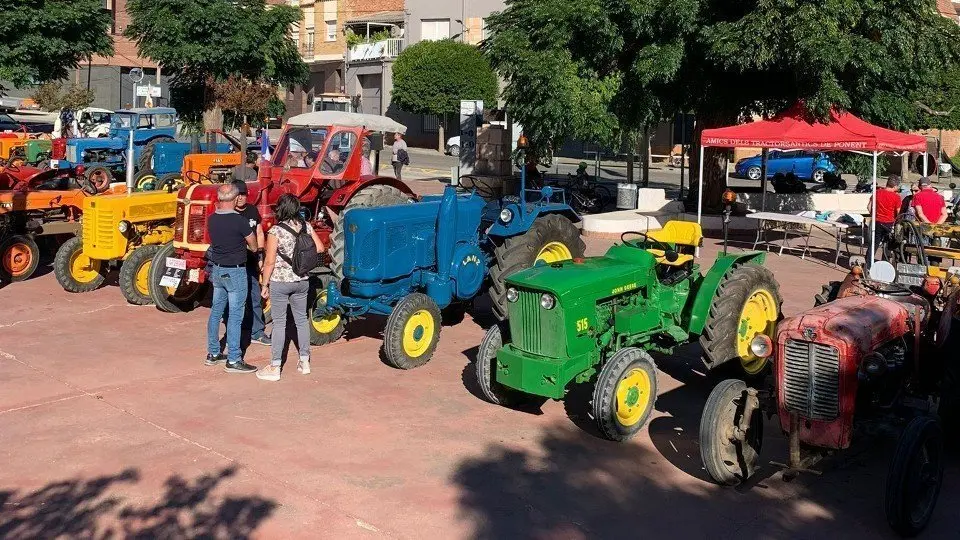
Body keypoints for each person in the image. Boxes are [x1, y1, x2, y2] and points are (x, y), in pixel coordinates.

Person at [257, 194, 324, 382]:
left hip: (280, 281)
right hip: (302, 280)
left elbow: (269, 261)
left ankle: (275, 366)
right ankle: (304, 362)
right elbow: (319, 248)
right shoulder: (306, 226)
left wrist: (264, 284)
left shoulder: (275, 231)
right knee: (301, 320)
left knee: (279, 323)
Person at [205, 183, 259, 373]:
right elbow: (254, 245)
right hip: (235, 271)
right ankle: (234, 358)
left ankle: (213, 353)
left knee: (216, 311)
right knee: (236, 315)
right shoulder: (239, 221)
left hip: (217, 270)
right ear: (236, 199)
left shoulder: (212, 219)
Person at [232, 180, 269, 347]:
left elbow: (259, 232)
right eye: (237, 194)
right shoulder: (230, 214)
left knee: (255, 296)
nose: (240, 198)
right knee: (234, 300)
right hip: (235, 264)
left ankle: (257, 332)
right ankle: (236, 332)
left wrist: (260, 254)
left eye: (243, 194)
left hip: (251, 262)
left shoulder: (253, 211)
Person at [868, 175, 902, 256]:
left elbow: (869, 206)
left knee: (874, 243)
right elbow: (898, 212)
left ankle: (868, 263)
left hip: (877, 221)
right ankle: (885, 263)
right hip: (889, 223)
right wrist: (899, 222)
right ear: (895, 186)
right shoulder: (896, 197)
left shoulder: (877, 192)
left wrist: (873, 215)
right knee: (887, 244)